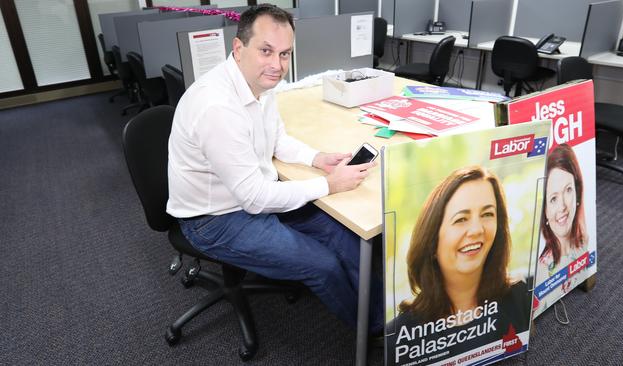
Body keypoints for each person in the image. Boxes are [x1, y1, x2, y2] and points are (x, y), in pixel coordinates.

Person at [166, 4, 383, 335]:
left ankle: (386, 319)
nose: (277, 65)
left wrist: (317, 158)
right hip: (215, 219)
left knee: (342, 234)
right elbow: (255, 198)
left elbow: (277, 140)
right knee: (322, 264)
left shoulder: (259, 85)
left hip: (252, 196)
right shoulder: (217, 107)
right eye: (266, 51)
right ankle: (370, 332)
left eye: (284, 54)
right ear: (238, 49)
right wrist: (330, 184)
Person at [386, 166, 530, 364]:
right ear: (432, 240)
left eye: (487, 214)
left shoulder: (520, 295)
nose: (476, 229)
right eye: (461, 219)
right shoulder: (399, 337)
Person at [537, 143, 588, 298]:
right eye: (553, 199)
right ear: (544, 210)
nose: (563, 207)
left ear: (577, 192)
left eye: (568, 190)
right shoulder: (542, 272)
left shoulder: (585, 241)